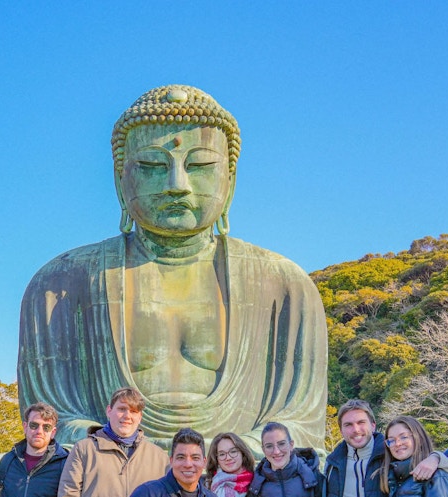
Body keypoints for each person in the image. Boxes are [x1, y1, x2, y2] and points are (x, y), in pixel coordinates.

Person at [18, 84, 327, 452]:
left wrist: (223, 455)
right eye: (151, 166)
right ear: (120, 180)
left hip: (235, 470)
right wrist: (122, 448)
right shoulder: (61, 283)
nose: (177, 185)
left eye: (199, 166)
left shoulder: (284, 285)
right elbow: (51, 423)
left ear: (230, 181)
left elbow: (302, 426)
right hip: (117, 466)